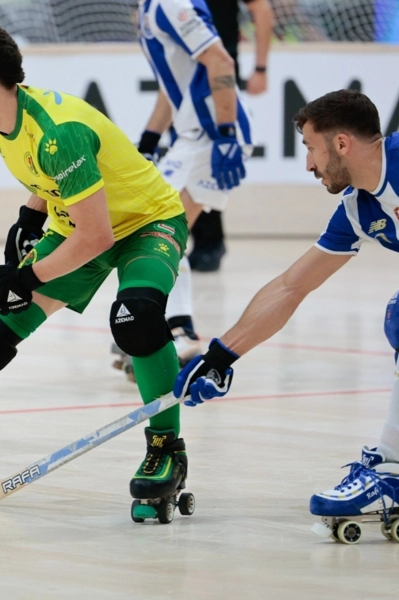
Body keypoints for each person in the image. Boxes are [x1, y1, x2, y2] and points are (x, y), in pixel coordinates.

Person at [0, 19, 192, 521]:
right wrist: (29, 219)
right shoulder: (1, 118)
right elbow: (49, 182)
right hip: (78, 223)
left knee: (136, 318)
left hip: (146, 223)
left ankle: (166, 448)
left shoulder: (58, 132)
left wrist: (27, 277)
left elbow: (97, 238)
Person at [176, 89, 399, 524]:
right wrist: (221, 355)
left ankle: (389, 472)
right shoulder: (358, 209)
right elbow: (291, 286)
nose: (308, 164)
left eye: (310, 148)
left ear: (341, 143)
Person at [112, 0, 254, 381]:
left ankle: (177, 332)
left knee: (158, 233)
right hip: (192, 137)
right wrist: (147, 142)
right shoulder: (148, 9)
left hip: (210, 136)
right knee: (154, 232)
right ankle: (165, 327)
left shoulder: (171, 4)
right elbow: (171, 87)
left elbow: (220, 61)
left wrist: (226, 135)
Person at [189, 0, 272, 272]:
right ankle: (199, 238)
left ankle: (210, 242)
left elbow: (262, 9)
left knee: (210, 153)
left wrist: (261, 68)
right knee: (190, 156)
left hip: (218, 71)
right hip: (184, 73)